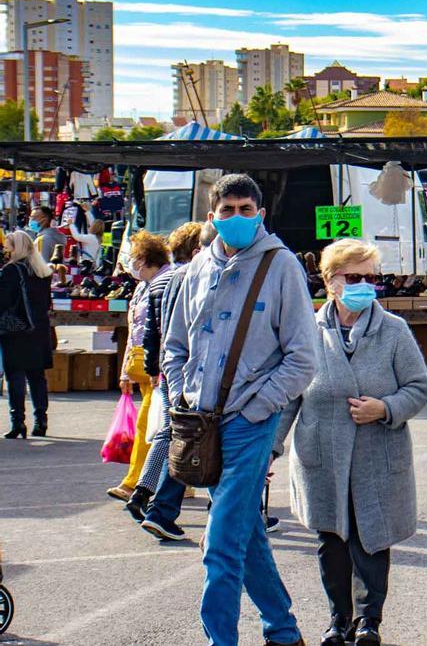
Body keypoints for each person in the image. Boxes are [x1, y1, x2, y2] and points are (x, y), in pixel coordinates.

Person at [162, 174, 317, 646]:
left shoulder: (282, 266)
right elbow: (174, 346)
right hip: (200, 423)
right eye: (226, 210)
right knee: (245, 534)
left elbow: (303, 358)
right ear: (211, 217)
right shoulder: (195, 270)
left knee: (221, 543)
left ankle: (221, 640)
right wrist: (180, 397)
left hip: (249, 424)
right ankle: (285, 632)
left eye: (245, 209)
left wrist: (259, 407)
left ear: (260, 214)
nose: (236, 218)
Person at [275, 239, 427, 646]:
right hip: (321, 457)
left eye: (371, 278)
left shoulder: (393, 331)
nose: (365, 285)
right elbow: (289, 395)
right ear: (330, 282)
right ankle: (337, 620)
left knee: (371, 538)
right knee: (331, 539)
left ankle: (369, 621)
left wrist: (385, 407)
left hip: (376, 454)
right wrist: (269, 449)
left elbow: (419, 387)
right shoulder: (306, 331)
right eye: (354, 277)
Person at [122, 223, 205, 522]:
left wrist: (155, 368)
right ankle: (155, 500)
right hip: (185, 369)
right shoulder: (186, 280)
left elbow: (152, 331)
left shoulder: (163, 282)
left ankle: (144, 492)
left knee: (168, 431)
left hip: (167, 367)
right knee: (185, 432)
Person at [106, 231, 174, 505]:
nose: (130, 263)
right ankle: (176, 482)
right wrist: (125, 371)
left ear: (145, 259)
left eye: (133, 258)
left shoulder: (166, 282)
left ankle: (134, 482)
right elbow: (136, 331)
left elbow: (161, 331)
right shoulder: (143, 286)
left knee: (151, 426)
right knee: (160, 428)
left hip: (159, 369)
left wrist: (161, 369)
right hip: (143, 366)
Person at [0, 231, 53, 439]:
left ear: (16, 248)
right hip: (39, 328)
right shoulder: (43, 271)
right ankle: (41, 420)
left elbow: (3, 301)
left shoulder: (12, 271)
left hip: (16, 329)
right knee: (37, 376)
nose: (5, 249)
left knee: (16, 377)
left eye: (8, 245)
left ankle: (18, 422)